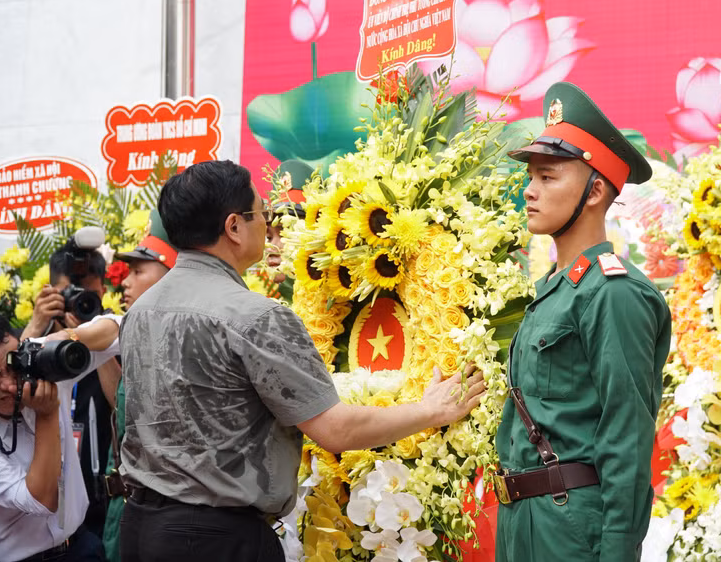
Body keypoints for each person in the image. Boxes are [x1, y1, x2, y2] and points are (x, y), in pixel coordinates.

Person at [118, 160, 486, 562]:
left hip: (141, 529)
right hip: (216, 539)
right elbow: (335, 430)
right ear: (233, 227)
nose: (267, 225)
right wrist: (431, 411)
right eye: (261, 213)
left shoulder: (141, 311)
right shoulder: (255, 316)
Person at [493, 83, 672, 561]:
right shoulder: (555, 290)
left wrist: (617, 553)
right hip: (524, 521)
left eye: (548, 177)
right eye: (530, 176)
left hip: (570, 527)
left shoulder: (614, 293)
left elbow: (627, 437)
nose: (529, 190)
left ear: (594, 191)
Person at [0, 311, 120, 562]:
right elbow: (41, 500)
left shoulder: (39, 362)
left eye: (12, 366)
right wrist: (48, 414)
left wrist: (68, 336)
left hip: (82, 546)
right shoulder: (44, 402)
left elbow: (118, 327)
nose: (10, 385)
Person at [20, 243, 116, 539]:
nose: (79, 302)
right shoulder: (34, 346)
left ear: (102, 293)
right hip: (44, 511)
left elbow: (121, 403)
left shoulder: (112, 337)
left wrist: (90, 341)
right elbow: (8, 390)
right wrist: (37, 324)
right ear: (49, 293)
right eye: (70, 294)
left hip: (100, 501)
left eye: (88, 296)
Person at [99, 209, 177, 562]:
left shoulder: (181, 341)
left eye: (138, 271)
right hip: (128, 509)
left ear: (171, 273)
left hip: (158, 516)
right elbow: (124, 407)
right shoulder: (140, 333)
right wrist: (100, 355)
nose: (125, 283)